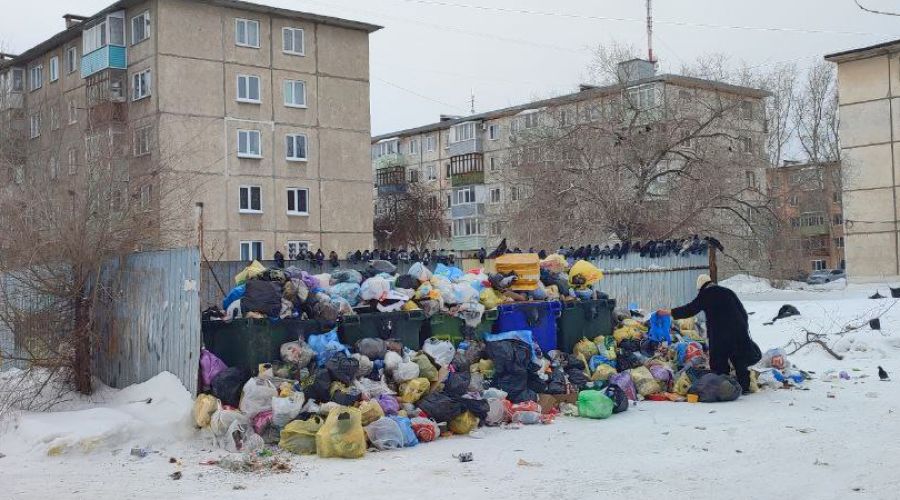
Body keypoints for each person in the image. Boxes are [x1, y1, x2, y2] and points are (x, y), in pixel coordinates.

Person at [658, 274, 762, 394]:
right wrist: (742, 328)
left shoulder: (706, 294)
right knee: (739, 360)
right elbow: (743, 312)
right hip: (739, 331)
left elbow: (690, 309)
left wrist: (669, 312)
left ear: (700, 286)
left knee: (719, 360)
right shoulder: (728, 292)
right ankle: (744, 387)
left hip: (721, 334)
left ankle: (723, 387)